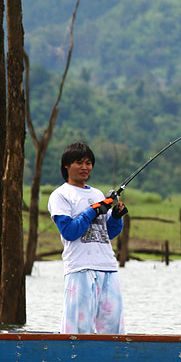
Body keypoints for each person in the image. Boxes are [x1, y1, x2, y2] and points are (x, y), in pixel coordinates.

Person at [48, 141, 128, 334]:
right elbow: (69, 231)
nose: (85, 167)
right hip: (80, 268)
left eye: (88, 163)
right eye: (79, 162)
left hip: (107, 266)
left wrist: (116, 217)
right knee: (78, 327)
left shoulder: (97, 194)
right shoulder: (60, 195)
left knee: (113, 327)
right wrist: (92, 211)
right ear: (66, 165)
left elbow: (107, 233)